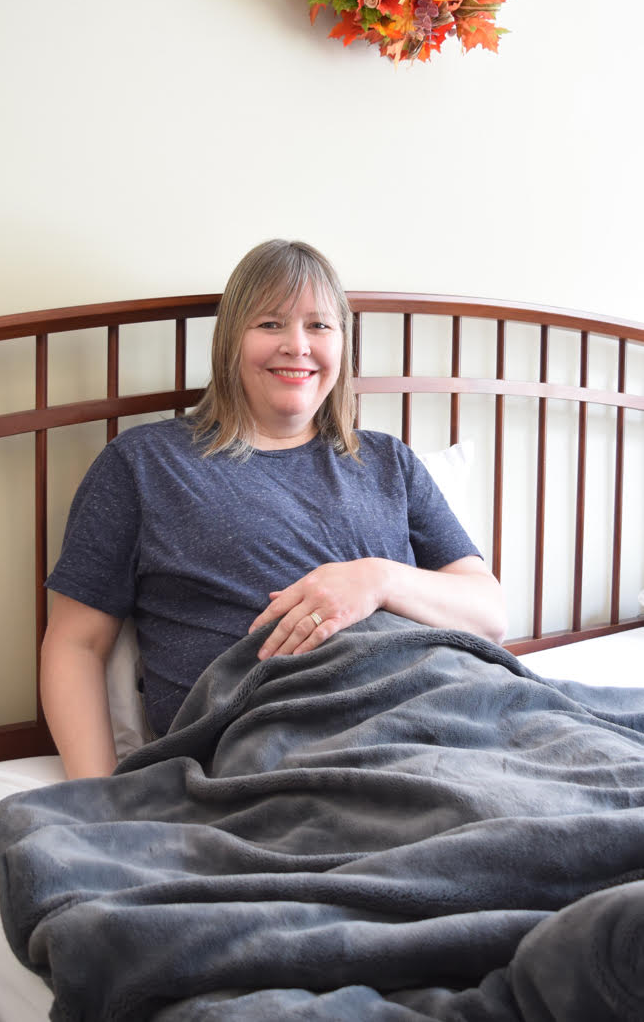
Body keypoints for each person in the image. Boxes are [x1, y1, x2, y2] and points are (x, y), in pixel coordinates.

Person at [41, 240, 507, 779]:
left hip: (438, 710)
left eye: (319, 326)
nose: (297, 346)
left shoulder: (388, 462)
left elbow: (490, 615)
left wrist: (377, 580)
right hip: (268, 744)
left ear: (342, 345)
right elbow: (76, 644)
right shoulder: (143, 465)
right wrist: (100, 798)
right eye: (270, 324)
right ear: (230, 342)